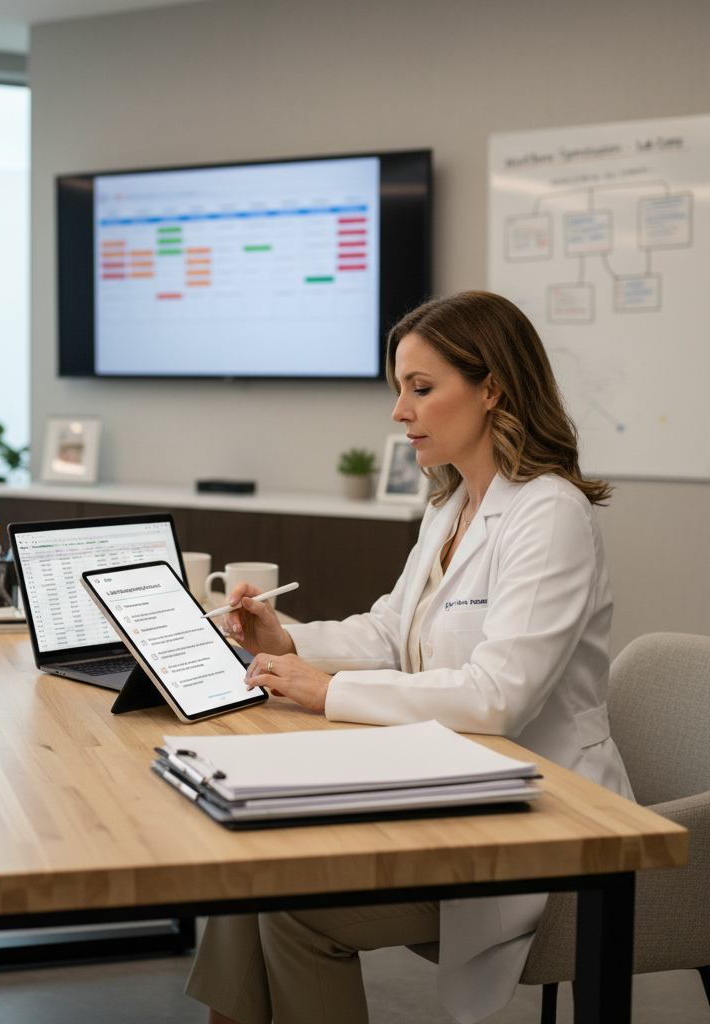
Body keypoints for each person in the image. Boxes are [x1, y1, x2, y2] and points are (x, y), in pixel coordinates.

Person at [184, 291, 634, 1024]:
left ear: (492, 389)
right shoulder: (450, 508)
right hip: (454, 787)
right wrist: (288, 642)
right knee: (250, 874)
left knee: (295, 909)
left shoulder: (549, 514)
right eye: (400, 389)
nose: (399, 412)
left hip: (543, 820)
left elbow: (496, 698)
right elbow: (393, 632)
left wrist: (326, 691)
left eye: (420, 388)